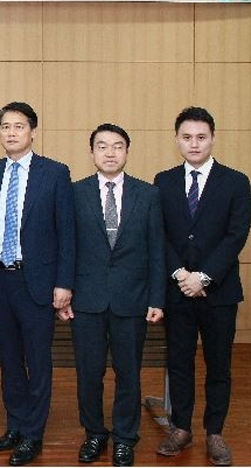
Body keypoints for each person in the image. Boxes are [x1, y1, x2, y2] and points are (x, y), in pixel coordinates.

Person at [0, 101, 75, 466]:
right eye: (5, 126)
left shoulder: (55, 173)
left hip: (38, 283)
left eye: (19, 126)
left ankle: (33, 433)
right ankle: (15, 425)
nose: (11, 132)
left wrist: (64, 283)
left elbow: (67, 233)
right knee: (10, 360)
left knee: (38, 361)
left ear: (33, 131)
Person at [58, 123, 165, 467]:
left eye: (117, 146)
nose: (110, 153)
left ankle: (125, 438)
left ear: (127, 152)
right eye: (102, 146)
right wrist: (64, 292)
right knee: (89, 374)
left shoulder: (148, 194)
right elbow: (66, 248)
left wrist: (157, 298)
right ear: (92, 153)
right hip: (86, 300)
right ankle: (94, 434)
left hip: (132, 299)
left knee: (128, 374)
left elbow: (157, 251)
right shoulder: (74, 193)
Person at [153, 107, 251, 467]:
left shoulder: (236, 181)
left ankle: (215, 433)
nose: (194, 144)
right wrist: (181, 274)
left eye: (201, 137)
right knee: (179, 363)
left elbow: (236, 234)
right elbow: (159, 233)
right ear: (177, 140)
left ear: (212, 138)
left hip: (219, 292)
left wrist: (204, 276)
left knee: (218, 365)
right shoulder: (163, 181)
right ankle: (181, 428)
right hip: (177, 291)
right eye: (187, 137)